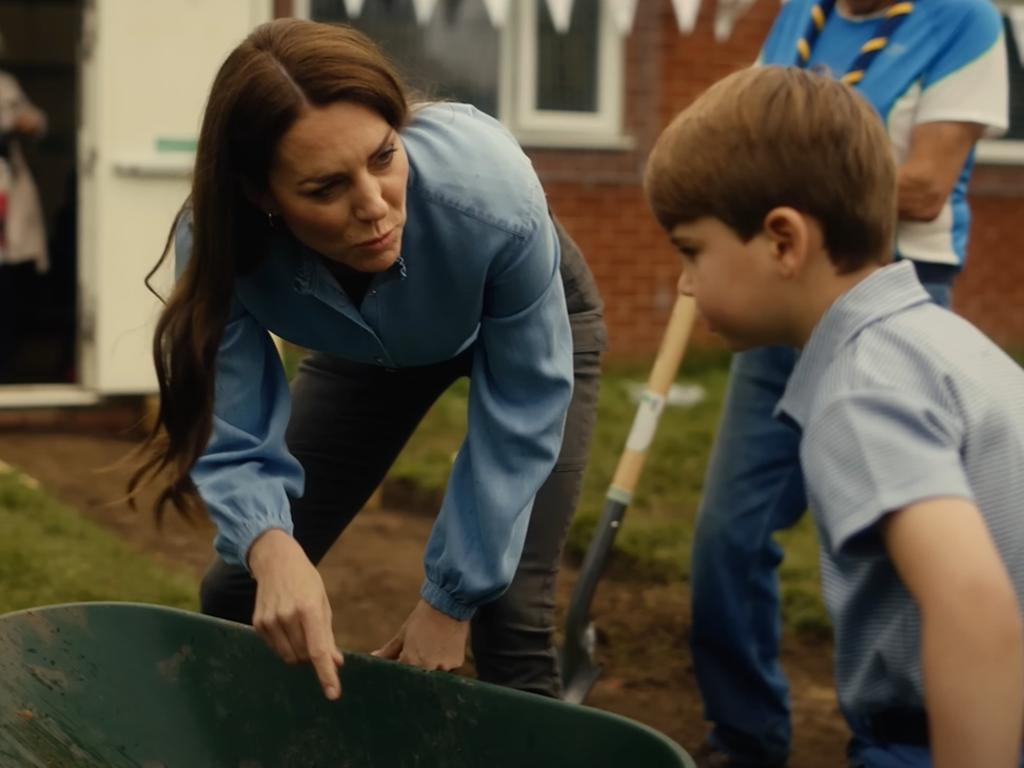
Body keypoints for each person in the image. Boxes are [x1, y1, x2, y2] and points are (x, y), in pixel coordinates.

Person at [129, 18, 605, 702]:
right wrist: (269, 545)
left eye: (384, 157)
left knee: (510, 614)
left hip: (519, 319)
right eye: (325, 189)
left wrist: (451, 598)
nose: (375, 208)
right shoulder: (220, 245)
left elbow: (523, 410)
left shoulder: (493, 200)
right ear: (263, 196)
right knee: (238, 586)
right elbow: (230, 421)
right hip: (363, 350)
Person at [645, 65, 1024, 768]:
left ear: (784, 241)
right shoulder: (944, 342)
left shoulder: (860, 391)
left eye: (692, 250)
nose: (687, 285)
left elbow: (973, 606)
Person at [0, 67, 48, 381]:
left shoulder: (5, 84)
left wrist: (24, 124)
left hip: (8, 188)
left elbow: (37, 122)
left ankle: (5, 368)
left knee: (7, 294)